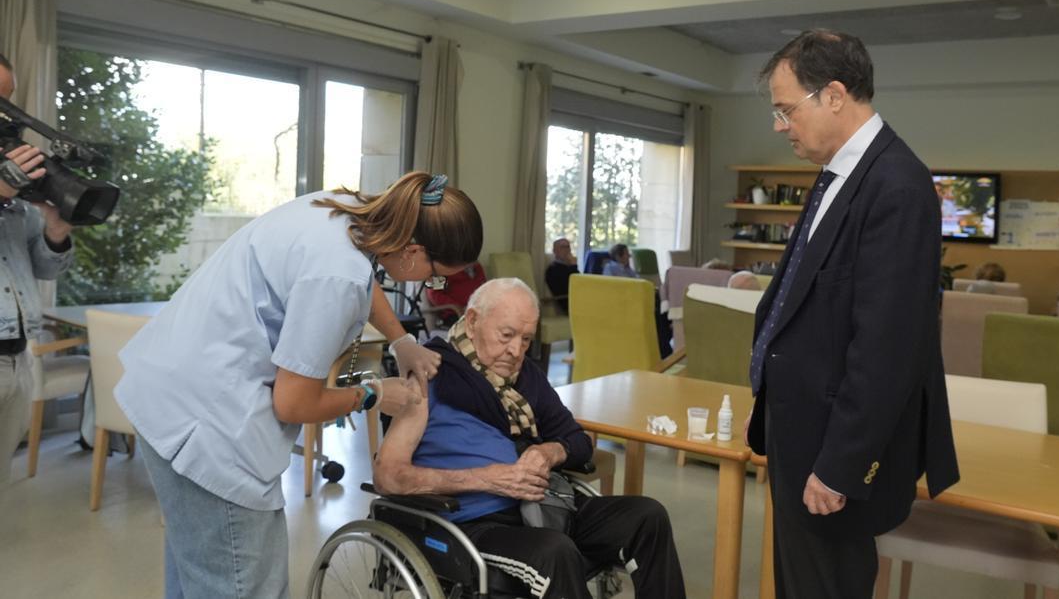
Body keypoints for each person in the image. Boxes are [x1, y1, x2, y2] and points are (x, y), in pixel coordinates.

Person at [115, 172, 483, 599]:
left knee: (198, 572)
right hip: (209, 425)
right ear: (414, 250)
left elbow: (364, 278)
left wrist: (400, 340)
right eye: (435, 276)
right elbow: (293, 403)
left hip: (169, 389)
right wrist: (373, 393)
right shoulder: (338, 274)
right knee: (242, 584)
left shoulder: (344, 209)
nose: (430, 284)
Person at [746, 30, 959, 598]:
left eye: (785, 109)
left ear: (834, 95)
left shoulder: (896, 186)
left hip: (832, 448)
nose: (778, 124)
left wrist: (842, 464)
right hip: (801, 431)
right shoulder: (839, 174)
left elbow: (888, 346)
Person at [373, 278, 686, 598]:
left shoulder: (526, 377)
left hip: (541, 508)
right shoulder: (428, 374)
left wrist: (550, 452)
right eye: (506, 335)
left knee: (647, 517)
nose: (516, 350)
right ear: (472, 321)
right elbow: (388, 477)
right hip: (471, 526)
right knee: (555, 551)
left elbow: (578, 442)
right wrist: (488, 479)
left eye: (525, 340)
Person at [0, 53, 74, 489]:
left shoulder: (16, 187)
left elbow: (45, 269)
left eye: (7, 99)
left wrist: (56, 229)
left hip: (18, 357)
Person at [602, 243, 672, 357]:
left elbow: (638, 281)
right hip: (625, 301)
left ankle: (664, 343)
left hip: (637, 297)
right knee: (658, 312)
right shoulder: (610, 268)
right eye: (626, 254)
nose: (629, 257)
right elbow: (611, 287)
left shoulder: (628, 269)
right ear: (618, 256)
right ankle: (664, 349)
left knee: (662, 310)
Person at [425, 261, 487, 326]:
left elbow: (484, 287)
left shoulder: (476, 267)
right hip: (455, 314)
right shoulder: (443, 268)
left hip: (478, 310)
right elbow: (434, 294)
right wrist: (457, 306)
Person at [544, 237, 578, 312]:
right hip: (569, 303)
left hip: (579, 299)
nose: (567, 250)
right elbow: (571, 286)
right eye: (563, 247)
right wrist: (573, 266)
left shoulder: (569, 267)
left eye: (568, 247)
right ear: (555, 251)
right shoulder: (552, 269)